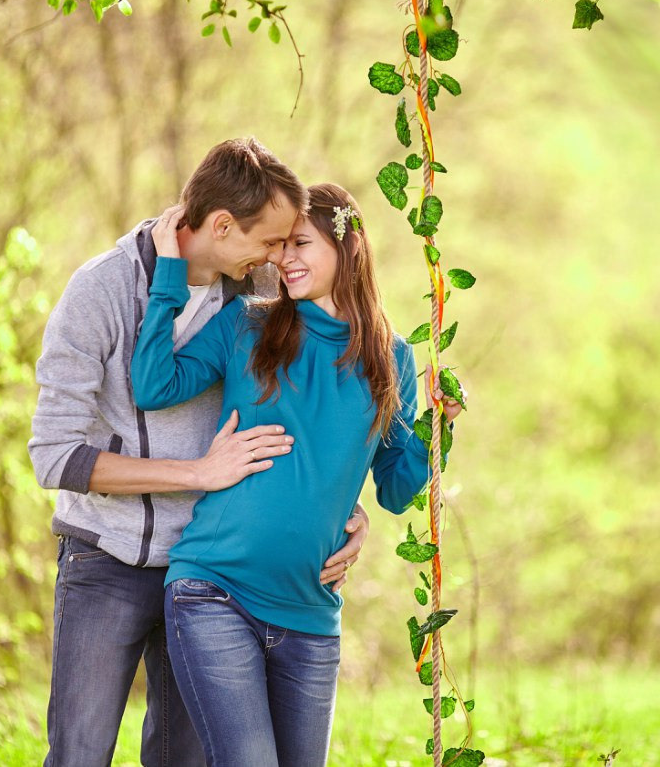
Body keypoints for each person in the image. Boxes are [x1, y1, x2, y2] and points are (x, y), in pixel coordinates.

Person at [28, 139, 373, 767]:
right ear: (221, 226)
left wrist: (345, 513)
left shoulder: (261, 292)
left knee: (182, 760)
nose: (279, 257)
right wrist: (197, 472)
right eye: (269, 241)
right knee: (79, 752)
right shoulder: (101, 292)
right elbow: (55, 456)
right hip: (107, 559)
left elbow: (326, 406)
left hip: (213, 575)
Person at [130, 184, 464, 767]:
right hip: (214, 592)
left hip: (311, 616)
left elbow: (393, 487)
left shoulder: (392, 360)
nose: (284, 259)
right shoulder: (248, 325)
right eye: (280, 245)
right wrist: (170, 277)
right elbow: (154, 384)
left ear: (348, 246)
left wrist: (438, 426)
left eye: (300, 243)